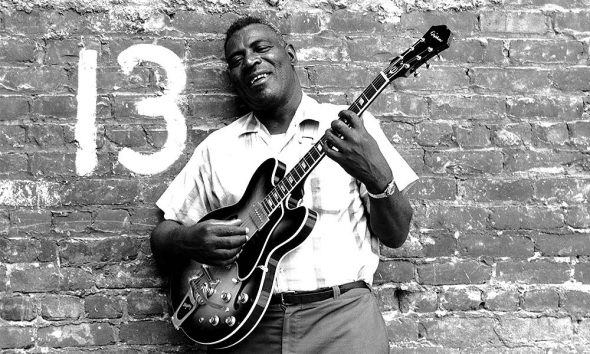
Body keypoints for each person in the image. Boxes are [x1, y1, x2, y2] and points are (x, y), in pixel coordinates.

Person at [150, 16, 418, 353]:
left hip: (343, 323)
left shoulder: (350, 129)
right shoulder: (217, 148)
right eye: (236, 60)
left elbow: (396, 235)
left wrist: (377, 175)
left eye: (261, 48)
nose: (250, 60)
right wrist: (190, 240)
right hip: (245, 327)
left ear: (289, 54)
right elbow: (161, 238)